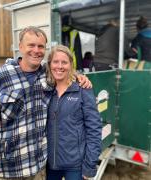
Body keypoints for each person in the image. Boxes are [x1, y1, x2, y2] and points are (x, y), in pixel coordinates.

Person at [0, 26, 91, 179]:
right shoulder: (0, 79)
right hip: (12, 164)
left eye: (41, 46)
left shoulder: (47, 73)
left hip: (40, 162)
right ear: (20, 47)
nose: (36, 50)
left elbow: (62, 69)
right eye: (31, 45)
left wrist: (79, 76)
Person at [46, 45, 102, 180]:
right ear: (49, 64)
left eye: (64, 62)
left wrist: (89, 165)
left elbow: (94, 128)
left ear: (71, 65)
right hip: (50, 163)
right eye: (55, 62)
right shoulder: (46, 90)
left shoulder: (83, 89)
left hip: (75, 166)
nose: (59, 66)